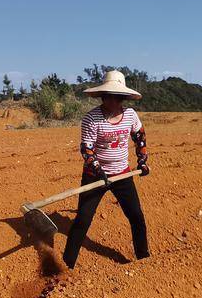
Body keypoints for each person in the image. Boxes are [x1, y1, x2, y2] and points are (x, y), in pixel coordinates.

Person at [64, 70, 149, 269]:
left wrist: (142, 161)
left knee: (136, 216)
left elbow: (140, 138)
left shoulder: (130, 115)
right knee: (83, 220)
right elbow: (87, 149)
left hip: (123, 174)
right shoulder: (91, 119)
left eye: (116, 97)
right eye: (108, 97)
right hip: (95, 176)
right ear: (103, 96)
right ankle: (66, 266)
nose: (112, 101)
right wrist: (99, 171)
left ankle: (144, 258)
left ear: (122, 98)